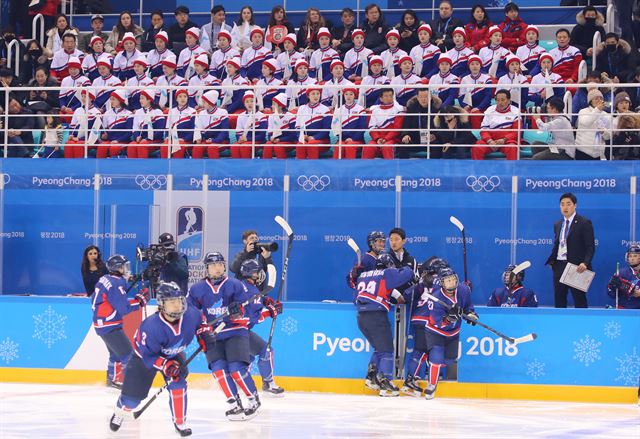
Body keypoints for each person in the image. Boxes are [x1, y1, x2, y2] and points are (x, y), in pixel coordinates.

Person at [109, 281, 202, 436]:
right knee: (132, 400)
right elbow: (149, 356)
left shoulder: (191, 314)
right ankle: (121, 410)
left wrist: (204, 334)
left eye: (179, 300)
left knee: (178, 384)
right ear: (161, 304)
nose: (177, 305)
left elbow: (201, 325)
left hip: (173, 355)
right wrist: (166, 365)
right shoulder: (151, 326)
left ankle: (180, 422)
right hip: (144, 360)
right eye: (172, 302)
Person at [186, 253, 262, 421]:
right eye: (213, 265)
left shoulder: (235, 285)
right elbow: (191, 313)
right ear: (207, 268)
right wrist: (201, 332)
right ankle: (234, 403)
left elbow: (247, 312)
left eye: (220, 264)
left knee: (236, 369)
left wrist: (237, 312)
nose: (217, 268)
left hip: (235, 332)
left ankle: (253, 398)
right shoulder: (197, 289)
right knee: (219, 370)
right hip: (213, 336)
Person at [355, 253, 413, 397]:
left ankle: (371, 378)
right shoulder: (386, 273)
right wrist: (407, 267)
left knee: (379, 349)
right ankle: (385, 382)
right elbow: (407, 274)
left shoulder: (364, 275)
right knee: (387, 350)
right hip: (376, 316)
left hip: (361, 317)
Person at [91, 255, 146, 389]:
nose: (126, 269)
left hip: (102, 324)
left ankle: (112, 380)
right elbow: (124, 308)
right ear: (117, 268)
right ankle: (131, 386)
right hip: (110, 325)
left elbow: (113, 294)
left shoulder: (105, 278)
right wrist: (139, 300)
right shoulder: (116, 283)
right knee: (128, 354)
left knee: (115, 353)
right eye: (124, 266)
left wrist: (129, 280)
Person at [423, 267, 477, 399]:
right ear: (442, 282)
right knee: (436, 356)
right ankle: (431, 385)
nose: (451, 283)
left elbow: (468, 306)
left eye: (453, 280)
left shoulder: (463, 290)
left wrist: (471, 315)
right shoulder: (435, 298)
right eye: (448, 281)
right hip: (435, 331)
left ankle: (432, 364)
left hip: (453, 333)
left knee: (449, 360)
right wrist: (448, 318)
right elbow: (438, 322)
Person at [402, 257, 449, 397]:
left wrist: (417, 282)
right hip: (430, 320)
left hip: (418, 318)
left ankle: (411, 379)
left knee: (421, 351)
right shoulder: (443, 281)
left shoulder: (424, 280)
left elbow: (407, 294)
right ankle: (410, 380)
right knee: (424, 351)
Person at [545, 192, 596, 308]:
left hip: (577, 267)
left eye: (568, 204)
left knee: (579, 299)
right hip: (559, 265)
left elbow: (590, 247)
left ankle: (582, 324)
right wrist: (552, 261)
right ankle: (559, 324)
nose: (565, 207)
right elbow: (558, 244)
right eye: (562, 204)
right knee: (559, 299)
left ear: (575, 205)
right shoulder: (558, 224)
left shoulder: (584, 222)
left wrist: (585, 263)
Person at [473, 89, 520, 160]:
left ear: (509, 100)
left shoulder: (516, 111)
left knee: (512, 148)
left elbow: (516, 132)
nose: (499, 102)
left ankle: (512, 170)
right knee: (477, 147)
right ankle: (478, 170)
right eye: (497, 100)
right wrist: (490, 141)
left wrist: (503, 140)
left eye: (502, 100)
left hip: (506, 142)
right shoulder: (489, 110)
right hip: (491, 141)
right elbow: (483, 130)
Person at [362, 88, 404, 159]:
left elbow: (397, 128)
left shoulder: (399, 109)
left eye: (391, 96)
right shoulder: (375, 110)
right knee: (368, 147)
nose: (389, 98)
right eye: (386, 96)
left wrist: (385, 138)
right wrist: (377, 139)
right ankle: (365, 169)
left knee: (386, 147)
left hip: (393, 139)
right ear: (381, 98)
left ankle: (390, 169)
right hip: (378, 138)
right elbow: (372, 128)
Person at [400, 88, 441, 158]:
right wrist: (406, 135)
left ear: (430, 97)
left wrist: (435, 135)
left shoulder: (437, 109)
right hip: (415, 139)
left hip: (431, 139)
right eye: (421, 97)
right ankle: (404, 167)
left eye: (425, 97)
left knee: (438, 144)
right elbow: (406, 124)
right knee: (403, 144)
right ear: (417, 98)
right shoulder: (411, 109)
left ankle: (435, 167)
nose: (423, 99)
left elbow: (441, 127)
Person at [294, 87, 331, 159]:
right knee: (300, 144)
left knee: (312, 143)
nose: (316, 96)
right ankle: (299, 168)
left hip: (322, 140)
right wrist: (302, 136)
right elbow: (297, 127)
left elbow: (327, 129)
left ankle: (313, 168)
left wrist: (314, 137)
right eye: (313, 94)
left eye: (318, 94)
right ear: (308, 96)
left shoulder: (325, 109)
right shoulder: (302, 108)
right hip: (306, 139)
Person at [128, 89, 166, 159]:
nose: (140, 100)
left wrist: (147, 138)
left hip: (155, 140)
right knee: (132, 145)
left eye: (142, 98)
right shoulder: (138, 112)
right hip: (142, 139)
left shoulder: (158, 112)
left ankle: (143, 168)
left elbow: (160, 131)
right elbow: (135, 128)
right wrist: (137, 137)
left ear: (149, 100)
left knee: (143, 144)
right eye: (140, 98)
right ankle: (132, 168)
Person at [575, 88, 611, 160]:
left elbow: (608, 136)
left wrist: (604, 132)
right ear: (590, 101)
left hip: (598, 153)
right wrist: (597, 110)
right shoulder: (583, 111)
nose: (599, 100)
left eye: (601, 98)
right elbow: (586, 122)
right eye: (596, 98)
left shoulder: (606, 115)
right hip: (582, 151)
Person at [233, 91, 268, 158]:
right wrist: (240, 139)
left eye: (252, 101)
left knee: (245, 147)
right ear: (244, 104)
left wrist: (247, 139)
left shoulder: (261, 116)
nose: (250, 104)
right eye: (247, 102)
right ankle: (237, 167)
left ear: (256, 103)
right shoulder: (241, 116)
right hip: (245, 140)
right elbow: (238, 133)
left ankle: (247, 167)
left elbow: (262, 135)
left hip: (258, 141)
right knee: (234, 147)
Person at [263, 93, 297, 159]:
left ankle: (282, 167)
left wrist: (280, 139)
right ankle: (266, 166)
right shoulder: (271, 117)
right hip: (277, 141)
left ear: (280, 106)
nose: (271, 106)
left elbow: (293, 136)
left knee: (278, 146)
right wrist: (271, 138)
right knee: (268, 144)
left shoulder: (290, 116)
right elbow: (270, 133)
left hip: (290, 142)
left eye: (274, 104)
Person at [388, 227, 417, 292]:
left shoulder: (412, 260)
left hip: (408, 298)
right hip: (390, 299)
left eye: (396, 239)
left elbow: (415, 281)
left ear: (404, 241)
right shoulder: (384, 259)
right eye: (391, 240)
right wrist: (395, 295)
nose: (393, 242)